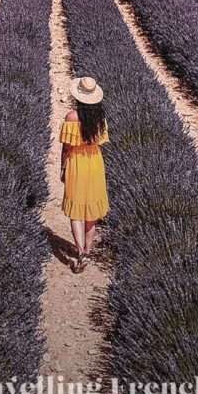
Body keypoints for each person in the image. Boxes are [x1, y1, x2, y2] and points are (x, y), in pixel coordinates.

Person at [60, 75, 110, 273]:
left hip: (76, 163)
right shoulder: (100, 119)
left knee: (76, 211)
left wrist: (62, 168)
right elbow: (100, 143)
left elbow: (66, 148)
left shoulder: (72, 117)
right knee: (91, 211)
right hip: (95, 163)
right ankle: (88, 250)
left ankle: (80, 251)